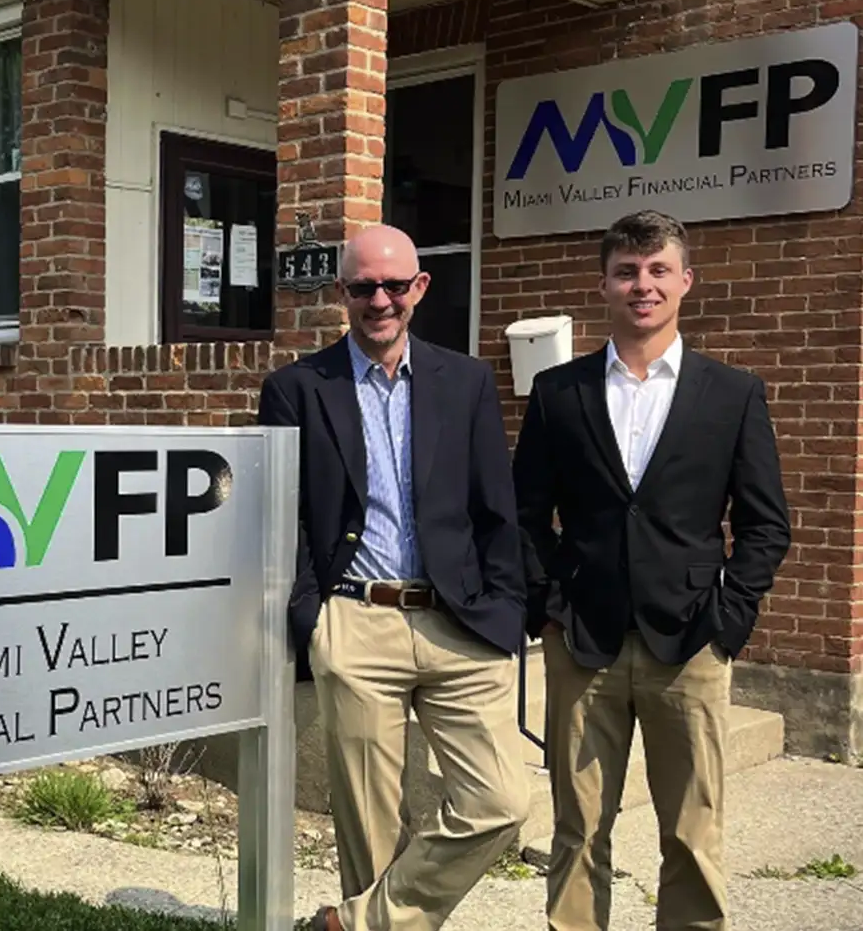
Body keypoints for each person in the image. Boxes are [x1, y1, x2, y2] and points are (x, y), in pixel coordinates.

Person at [513, 209, 791, 931]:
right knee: (578, 833)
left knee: (692, 834)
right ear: (603, 284)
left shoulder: (732, 395)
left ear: (686, 282)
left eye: (658, 270)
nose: (644, 285)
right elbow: (523, 516)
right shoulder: (558, 393)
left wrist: (730, 620)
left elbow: (766, 525)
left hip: (692, 642)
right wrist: (546, 605)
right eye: (628, 272)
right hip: (582, 643)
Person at [258, 224, 530, 931]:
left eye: (394, 285)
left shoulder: (465, 380)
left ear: (420, 288)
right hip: (355, 620)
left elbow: (496, 506)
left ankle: (354, 927)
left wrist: (506, 607)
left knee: (500, 800)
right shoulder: (296, 388)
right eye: (362, 287)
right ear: (342, 293)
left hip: (459, 621)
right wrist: (311, 619)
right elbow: (281, 519)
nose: (379, 300)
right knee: (371, 835)